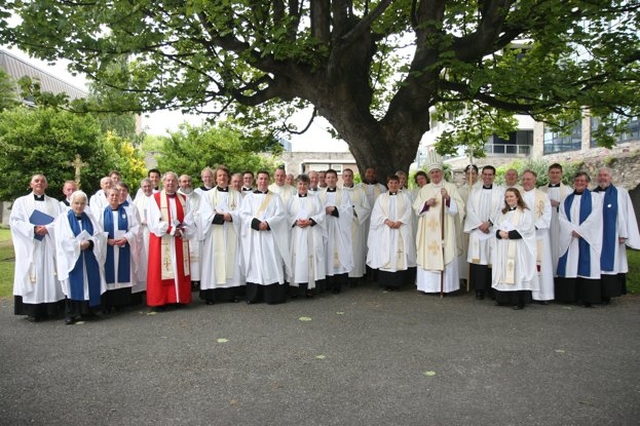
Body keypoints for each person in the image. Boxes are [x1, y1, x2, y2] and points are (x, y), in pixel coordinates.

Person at [10, 174, 66, 321]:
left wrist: (48, 228)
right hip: (31, 246)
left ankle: (52, 309)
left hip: (48, 245)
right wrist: (33, 229)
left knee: (50, 273)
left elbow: (61, 222)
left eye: (42, 181)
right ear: (31, 184)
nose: (39, 183)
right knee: (33, 274)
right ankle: (33, 310)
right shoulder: (20, 202)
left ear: (46, 185)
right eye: (36, 180)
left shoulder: (55, 203)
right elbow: (15, 221)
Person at [54, 190, 107, 324]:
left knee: (89, 284)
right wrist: (78, 245)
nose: (79, 206)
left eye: (82, 203)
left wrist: (90, 242)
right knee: (72, 285)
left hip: (89, 255)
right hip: (72, 258)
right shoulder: (63, 218)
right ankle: (71, 313)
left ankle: (88, 311)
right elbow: (62, 239)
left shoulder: (90, 217)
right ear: (71, 203)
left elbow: (99, 234)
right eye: (76, 203)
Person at [413, 158, 464, 294]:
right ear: (430, 175)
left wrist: (448, 198)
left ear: (441, 173)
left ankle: (447, 287)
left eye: (437, 172)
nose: (435, 175)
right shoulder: (425, 189)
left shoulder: (450, 187)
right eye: (433, 172)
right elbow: (417, 208)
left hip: (445, 230)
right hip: (427, 232)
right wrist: (426, 203)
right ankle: (428, 287)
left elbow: (459, 208)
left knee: (446, 252)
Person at [239, 170, 291, 304]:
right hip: (255, 237)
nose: (263, 181)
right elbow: (243, 215)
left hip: (270, 237)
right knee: (255, 264)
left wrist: (267, 223)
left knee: (271, 262)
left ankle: (273, 296)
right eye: (261, 179)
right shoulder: (249, 198)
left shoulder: (275, 197)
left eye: (265, 179)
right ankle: (254, 296)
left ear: (269, 181)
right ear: (257, 181)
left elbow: (281, 215)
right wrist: (256, 224)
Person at [146, 172, 194, 310]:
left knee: (179, 267)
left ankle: (179, 298)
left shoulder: (184, 198)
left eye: (173, 181)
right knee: (161, 270)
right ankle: (162, 300)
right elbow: (154, 222)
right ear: (162, 182)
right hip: (162, 240)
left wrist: (183, 229)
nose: (170, 183)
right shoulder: (154, 199)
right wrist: (171, 229)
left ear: (177, 183)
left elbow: (189, 219)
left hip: (179, 240)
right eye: (167, 181)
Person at [198, 165, 245, 304]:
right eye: (219, 176)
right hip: (214, 234)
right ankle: (211, 295)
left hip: (231, 233)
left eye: (225, 175)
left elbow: (242, 213)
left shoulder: (236, 195)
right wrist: (222, 217)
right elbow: (204, 215)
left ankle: (231, 294)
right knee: (213, 263)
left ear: (228, 178)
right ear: (215, 178)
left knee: (232, 262)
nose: (222, 178)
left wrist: (230, 216)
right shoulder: (208, 195)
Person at [556, 172, 604, 307]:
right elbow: (562, 217)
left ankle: (587, 298)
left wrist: (581, 231)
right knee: (570, 266)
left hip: (587, 238)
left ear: (587, 182)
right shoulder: (566, 199)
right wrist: (572, 230)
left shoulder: (595, 198)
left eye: (582, 180)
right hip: (571, 237)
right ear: (574, 182)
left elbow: (595, 216)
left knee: (587, 266)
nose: (579, 182)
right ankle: (569, 297)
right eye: (577, 180)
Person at [593, 167, 640, 300]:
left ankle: (609, 293)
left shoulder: (620, 193)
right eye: (600, 175)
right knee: (597, 264)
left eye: (605, 175)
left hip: (614, 237)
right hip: (597, 237)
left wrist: (623, 234)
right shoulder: (592, 194)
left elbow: (625, 214)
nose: (603, 178)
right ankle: (597, 292)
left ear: (611, 177)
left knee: (613, 264)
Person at [367, 175, 416, 290]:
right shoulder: (381, 197)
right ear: (387, 184)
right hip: (386, 231)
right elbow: (376, 213)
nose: (393, 185)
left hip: (400, 230)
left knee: (398, 255)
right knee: (386, 253)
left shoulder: (405, 197)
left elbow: (409, 212)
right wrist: (386, 220)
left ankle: (398, 283)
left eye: (395, 183)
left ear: (399, 184)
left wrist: (400, 221)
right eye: (391, 183)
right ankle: (386, 283)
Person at [98, 188, 143, 312]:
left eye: (117, 195)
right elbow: (97, 231)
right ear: (107, 197)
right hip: (108, 249)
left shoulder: (128, 212)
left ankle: (122, 303)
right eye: (111, 195)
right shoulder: (101, 212)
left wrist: (126, 238)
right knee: (109, 275)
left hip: (124, 248)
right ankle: (108, 304)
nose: (114, 197)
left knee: (123, 274)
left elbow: (136, 229)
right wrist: (107, 239)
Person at [492, 188, 537, 310]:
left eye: (511, 196)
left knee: (517, 272)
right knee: (503, 271)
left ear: (517, 197)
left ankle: (518, 301)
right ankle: (503, 299)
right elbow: (495, 226)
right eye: (507, 197)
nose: (509, 199)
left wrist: (510, 234)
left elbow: (528, 229)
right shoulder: (502, 213)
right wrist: (499, 233)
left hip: (517, 247)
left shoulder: (525, 212)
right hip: (503, 247)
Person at [464, 165, 504, 300]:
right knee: (480, 260)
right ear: (482, 175)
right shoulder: (474, 192)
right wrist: (480, 224)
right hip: (478, 230)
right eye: (485, 174)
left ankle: (492, 289)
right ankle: (479, 290)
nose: (487, 177)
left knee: (492, 260)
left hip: (493, 231)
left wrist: (490, 222)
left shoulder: (500, 192)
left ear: (494, 176)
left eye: (490, 175)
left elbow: (502, 209)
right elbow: (469, 210)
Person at [286, 174, 326, 298]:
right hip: (297, 233)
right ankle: (295, 289)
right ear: (296, 185)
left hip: (310, 233)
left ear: (308, 185)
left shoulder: (315, 199)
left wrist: (310, 221)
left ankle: (310, 289)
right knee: (296, 260)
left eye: (305, 184)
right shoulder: (292, 199)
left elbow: (321, 214)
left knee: (309, 259)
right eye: (300, 184)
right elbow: (286, 215)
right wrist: (295, 221)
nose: (302, 186)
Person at [520, 170, 554, 304]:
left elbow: (547, 215)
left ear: (535, 180)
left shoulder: (543, 196)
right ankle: (526, 294)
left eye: (529, 179)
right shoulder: (518, 195)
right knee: (524, 265)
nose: (526, 182)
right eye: (524, 179)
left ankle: (542, 295)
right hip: (522, 237)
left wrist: (533, 227)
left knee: (541, 265)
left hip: (539, 236)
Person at [319, 169, 354, 294]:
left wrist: (334, 209)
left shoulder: (344, 194)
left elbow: (349, 211)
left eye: (333, 177)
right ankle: (327, 282)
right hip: (326, 228)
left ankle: (338, 283)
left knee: (339, 252)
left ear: (337, 179)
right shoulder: (320, 194)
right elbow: (315, 210)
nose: (330, 180)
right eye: (328, 178)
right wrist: (324, 210)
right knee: (326, 252)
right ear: (325, 179)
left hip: (339, 229)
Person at [341, 168, 371, 287]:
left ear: (353, 177)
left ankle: (356, 277)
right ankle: (344, 276)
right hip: (343, 228)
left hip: (356, 226)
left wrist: (354, 211)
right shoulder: (339, 192)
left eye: (349, 175)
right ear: (342, 177)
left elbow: (367, 208)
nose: (348, 178)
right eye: (345, 176)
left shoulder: (360, 191)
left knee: (356, 251)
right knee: (344, 250)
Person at [539, 163, 571, 274]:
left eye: (557, 172)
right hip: (544, 226)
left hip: (560, 225)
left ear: (561, 174)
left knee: (558, 249)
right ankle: (546, 276)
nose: (555, 175)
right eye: (552, 172)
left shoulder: (568, 191)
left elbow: (572, 208)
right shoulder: (541, 190)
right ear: (548, 174)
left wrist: (558, 204)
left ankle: (559, 275)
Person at [456, 164, 480, 286]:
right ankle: (465, 277)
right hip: (465, 224)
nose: (471, 176)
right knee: (465, 250)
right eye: (468, 173)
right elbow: (458, 209)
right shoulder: (460, 191)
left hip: (479, 227)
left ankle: (476, 278)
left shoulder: (481, 189)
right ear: (465, 175)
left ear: (477, 174)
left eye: (473, 173)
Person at [178, 174, 202, 291]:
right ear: (179, 183)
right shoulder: (177, 197)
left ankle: (195, 281)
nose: (186, 183)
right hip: (182, 232)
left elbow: (202, 212)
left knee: (195, 258)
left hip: (195, 231)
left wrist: (195, 217)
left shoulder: (198, 197)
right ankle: (185, 281)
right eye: (184, 181)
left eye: (188, 181)